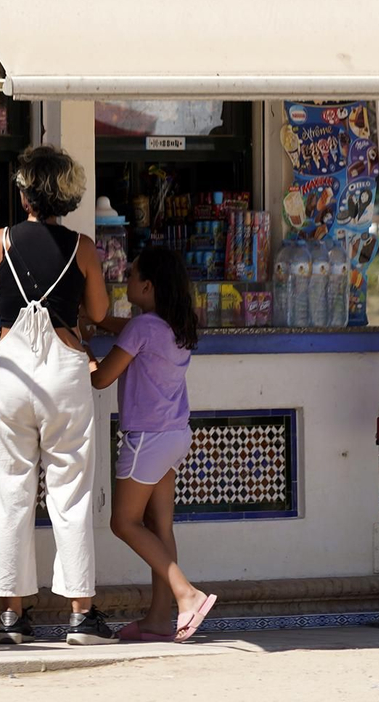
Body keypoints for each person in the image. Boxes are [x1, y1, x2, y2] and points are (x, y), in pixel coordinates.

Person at [0, 145, 116, 645]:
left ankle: (12, 616)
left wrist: (4, 302)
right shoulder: (84, 248)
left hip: (11, 370)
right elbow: (97, 309)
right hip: (64, 371)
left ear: (25, 193)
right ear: (65, 195)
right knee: (70, 492)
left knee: (10, 490)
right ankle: (80, 615)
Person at [89, 247, 217, 642]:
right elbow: (127, 331)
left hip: (145, 439)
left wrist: (77, 348)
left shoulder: (141, 328)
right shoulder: (175, 326)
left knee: (122, 522)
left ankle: (186, 594)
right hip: (175, 436)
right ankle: (160, 618)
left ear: (147, 286)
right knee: (160, 526)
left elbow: (101, 379)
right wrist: (97, 323)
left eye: (130, 275)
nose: (124, 281)